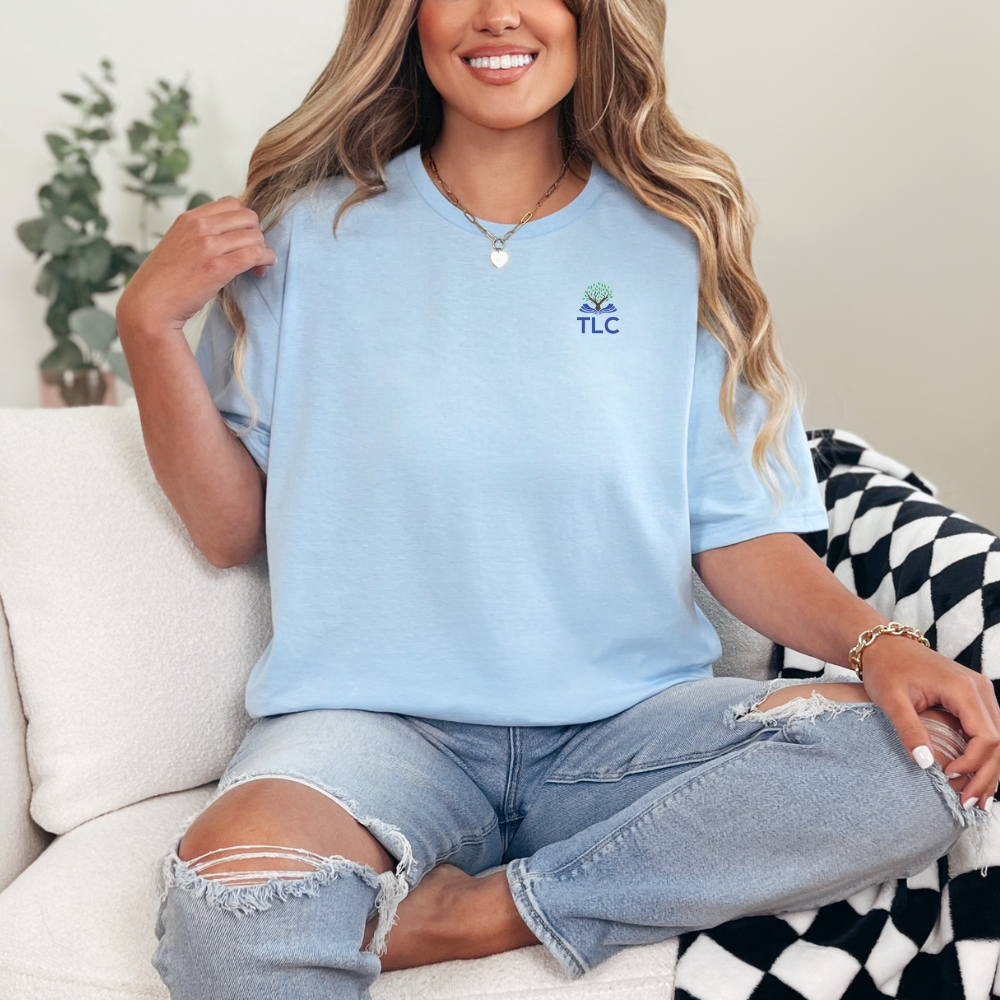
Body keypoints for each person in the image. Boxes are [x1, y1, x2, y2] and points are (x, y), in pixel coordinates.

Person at [115, 0, 999, 996]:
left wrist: (882, 645)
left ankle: (473, 915)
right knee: (227, 916)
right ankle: (526, 896)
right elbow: (232, 526)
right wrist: (149, 328)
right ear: (404, 18)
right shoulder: (304, 235)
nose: (499, 14)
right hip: (372, 729)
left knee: (928, 760)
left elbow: (737, 535)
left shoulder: (678, 241)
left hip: (628, 728)